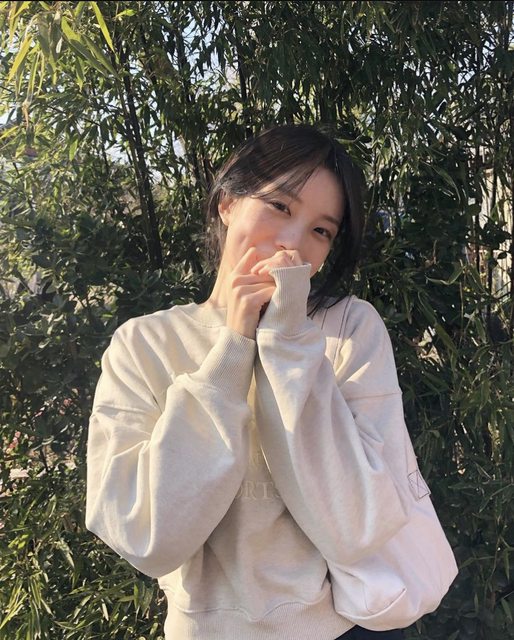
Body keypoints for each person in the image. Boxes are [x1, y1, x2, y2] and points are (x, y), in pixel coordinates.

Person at [86, 124, 451, 639]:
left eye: (321, 231)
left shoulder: (349, 329)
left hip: (334, 629)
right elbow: (146, 538)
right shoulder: (143, 345)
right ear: (228, 202)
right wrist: (234, 347)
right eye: (280, 206)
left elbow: (356, 525)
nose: (292, 243)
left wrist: (287, 340)